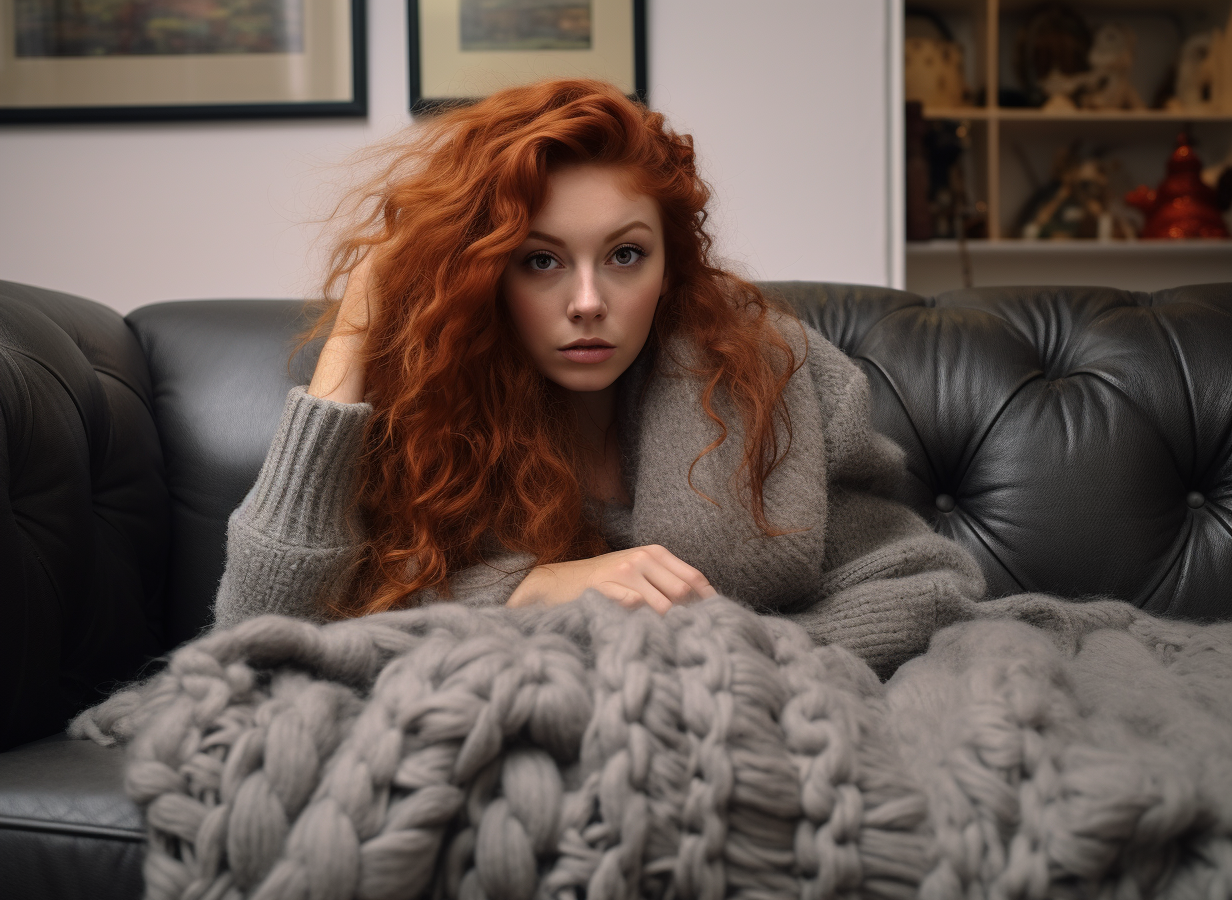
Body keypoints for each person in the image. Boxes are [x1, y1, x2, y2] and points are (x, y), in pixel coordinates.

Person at [216, 78, 1116, 678]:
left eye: (624, 256)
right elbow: (252, 638)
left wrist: (708, 645)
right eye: (537, 262)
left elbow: (924, 590)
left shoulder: (776, 378)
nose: (586, 301)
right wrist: (361, 334)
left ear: (668, 266)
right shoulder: (426, 408)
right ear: (481, 272)